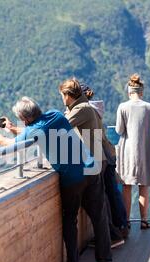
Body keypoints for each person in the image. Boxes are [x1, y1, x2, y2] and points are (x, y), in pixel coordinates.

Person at [0, 96, 113, 262]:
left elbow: (7, 144)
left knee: (70, 218)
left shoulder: (33, 131)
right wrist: (12, 127)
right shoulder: (56, 115)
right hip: (91, 169)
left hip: (71, 179)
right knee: (99, 217)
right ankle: (105, 261)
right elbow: (33, 132)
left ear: (25, 118)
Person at [59, 78, 126, 248]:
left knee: (99, 204)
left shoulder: (82, 110)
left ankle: (113, 236)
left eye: (62, 95)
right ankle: (114, 235)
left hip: (94, 160)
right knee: (101, 202)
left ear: (68, 95)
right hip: (99, 158)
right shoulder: (89, 109)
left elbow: (59, 128)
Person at [80, 83, 130, 239]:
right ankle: (122, 225)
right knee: (112, 192)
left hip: (101, 156)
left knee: (108, 194)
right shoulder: (94, 110)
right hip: (107, 153)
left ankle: (116, 230)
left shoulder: (85, 112)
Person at [115, 74, 150, 230]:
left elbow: (119, 130)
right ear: (142, 91)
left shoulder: (123, 107)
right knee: (143, 185)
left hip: (127, 151)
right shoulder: (149, 107)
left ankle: (126, 221)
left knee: (127, 186)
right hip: (144, 149)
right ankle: (144, 220)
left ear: (129, 91)